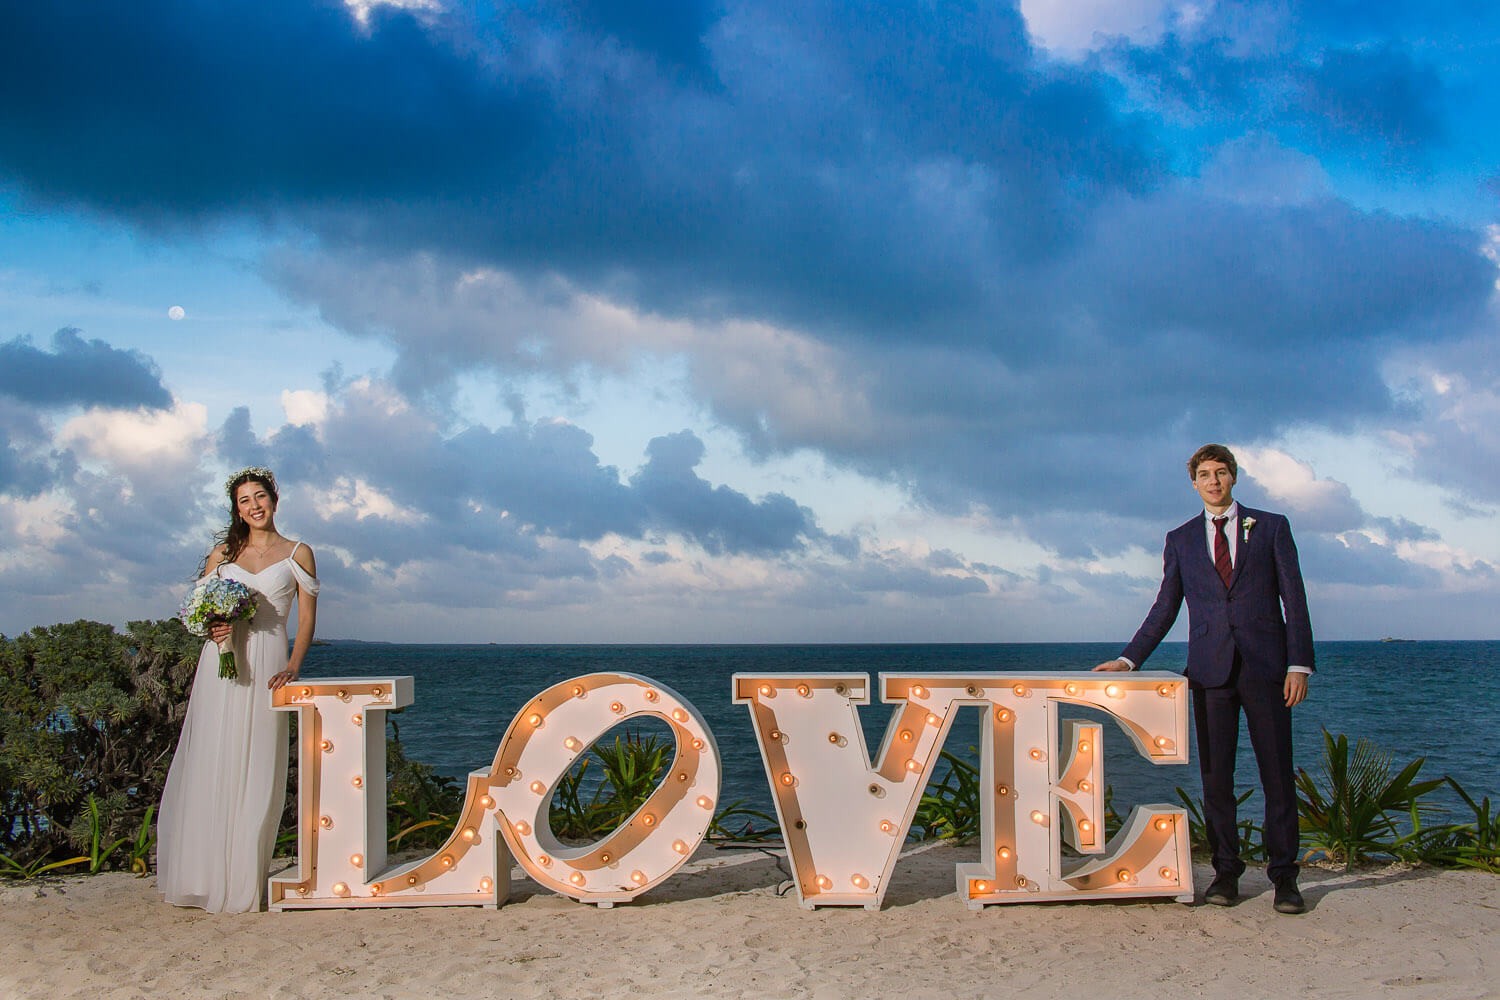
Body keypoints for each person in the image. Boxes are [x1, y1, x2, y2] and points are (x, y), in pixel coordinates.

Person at [1095, 443, 1312, 914]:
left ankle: (1285, 880)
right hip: (1210, 674)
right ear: (1193, 483)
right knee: (1217, 780)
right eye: (1204, 475)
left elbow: (1294, 599)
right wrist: (1129, 660)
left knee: (1277, 777)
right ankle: (1226, 873)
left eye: (1221, 473)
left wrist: (1299, 665)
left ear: (1234, 477)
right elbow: (1165, 606)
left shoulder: (1272, 527)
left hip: (1267, 671)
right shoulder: (1180, 538)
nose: (1213, 481)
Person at [157, 467, 319, 913]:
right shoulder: (223, 554)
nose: (255, 506)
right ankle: (205, 876)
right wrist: (214, 629)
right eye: (245, 500)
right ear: (237, 509)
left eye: (260, 496)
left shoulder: (298, 553)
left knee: (259, 767)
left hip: (268, 659)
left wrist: (292, 665)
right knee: (214, 759)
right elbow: (199, 615)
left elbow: (305, 619)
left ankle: (244, 878)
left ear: (274, 500)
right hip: (222, 664)